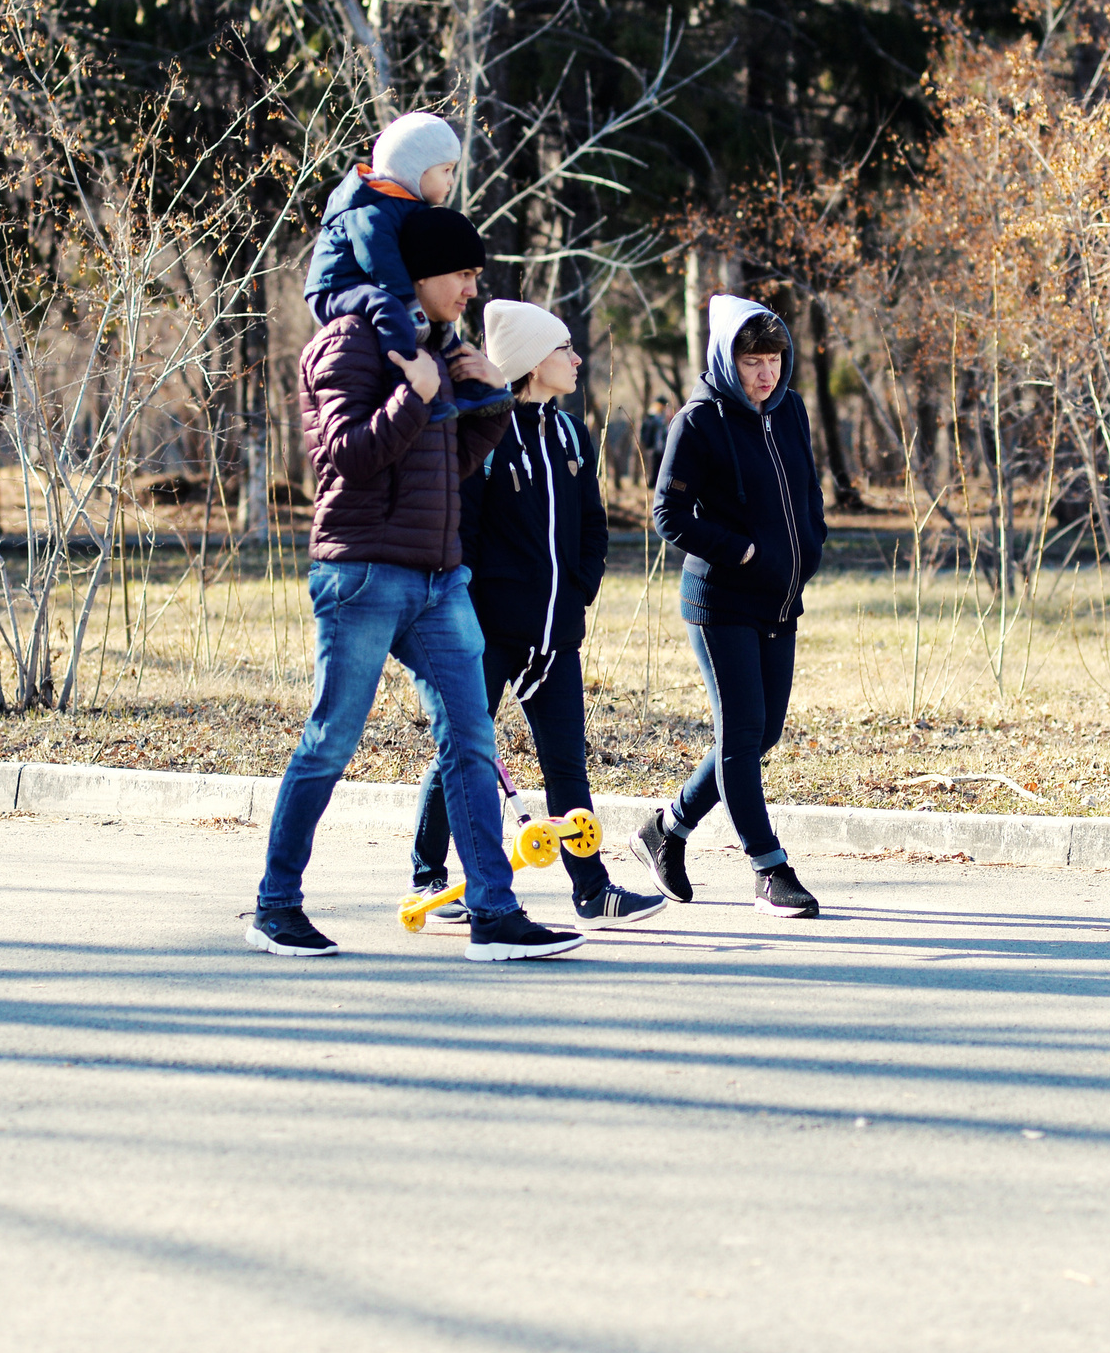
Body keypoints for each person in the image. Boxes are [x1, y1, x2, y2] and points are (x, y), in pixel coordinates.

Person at [250, 204, 586, 963]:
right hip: (362, 574)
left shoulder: (432, 343)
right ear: (422, 274)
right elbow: (343, 460)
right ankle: (276, 906)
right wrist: (417, 393)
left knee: (471, 739)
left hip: (438, 582)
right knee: (331, 740)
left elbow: (444, 470)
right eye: (463, 274)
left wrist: (489, 400)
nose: (472, 290)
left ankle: (493, 913)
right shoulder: (346, 344)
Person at [407, 300, 669, 928]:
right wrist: (463, 614)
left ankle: (591, 888)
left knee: (566, 764)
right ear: (528, 362)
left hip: (557, 634)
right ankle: (429, 875)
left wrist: (579, 590)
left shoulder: (574, 433)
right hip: (489, 633)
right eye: (563, 350)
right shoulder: (483, 430)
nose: (577, 360)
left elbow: (593, 529)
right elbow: (459, 533)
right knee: (463, 750)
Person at [632, 295, 829, 918]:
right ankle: (769, 868)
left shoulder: (790, 409)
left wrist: (811, 547)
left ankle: (668, 826)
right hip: (719, 600)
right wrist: (741, 551)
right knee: (741, 732)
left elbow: (808, 490)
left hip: (778, 599)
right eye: (751, 362)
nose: (765, 373)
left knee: (762, 732)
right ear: (726, 360)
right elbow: (668, 514)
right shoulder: (699, 421)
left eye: (773, 359)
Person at [302, 111, 512, 423]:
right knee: (389, 307)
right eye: (446, 170)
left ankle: (468, 386)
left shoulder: (410, 207)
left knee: (440, 321)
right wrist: (407, 299)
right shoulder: (372, 206)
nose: (451, 180)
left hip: (376, 284)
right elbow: (379, 260)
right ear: (416, 169)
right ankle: (405, 381)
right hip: (337, 287)